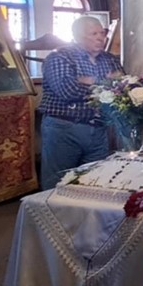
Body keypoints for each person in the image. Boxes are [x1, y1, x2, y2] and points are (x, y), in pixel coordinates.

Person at [38, 15, 124, 190]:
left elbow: (123, 88)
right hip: (65, 129)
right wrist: (106, 82)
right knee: (58, 183)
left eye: (102, 33)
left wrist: (90, 81)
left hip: (98, 129)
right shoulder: (60, 58)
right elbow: (68, 91)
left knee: (96, 182)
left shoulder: (109, 59)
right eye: (94, 33)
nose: (101, 37)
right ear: (78, 36)